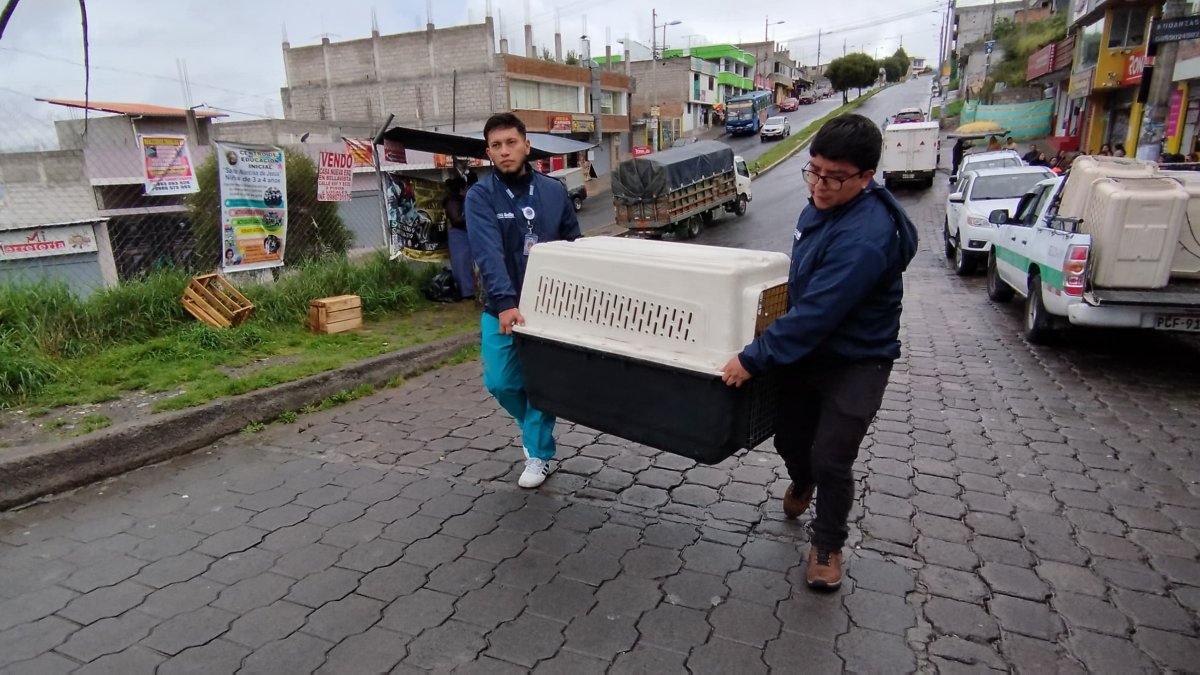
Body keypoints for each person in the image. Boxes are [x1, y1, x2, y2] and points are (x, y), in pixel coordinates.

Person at [719, 114, 918, 591]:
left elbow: (818, 312)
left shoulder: (866, 237)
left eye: (834, 177)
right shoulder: (820, 204)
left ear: (866, 177)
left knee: (832, 456)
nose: (819, 186)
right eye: (814, 171)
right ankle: (802, 477)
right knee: (789, 438)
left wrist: (752, 358)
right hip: (810, 351)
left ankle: (827, 543)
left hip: (858, 359)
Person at [466, 113, 581, 489]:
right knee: (501, 382)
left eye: (511, 142)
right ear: (488, 153)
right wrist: (504, 302)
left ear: (527, 145)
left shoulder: (553, 191)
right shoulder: (481, 195)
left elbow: (573, 246)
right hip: (502, 307)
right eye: (496, 145)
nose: (505, 151)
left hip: (550, 307)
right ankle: (532, 427)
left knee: (544, 383)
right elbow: (488, 252)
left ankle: (539, 453)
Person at [443, 176, 475, 301]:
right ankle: (466, 292)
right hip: (457, 234)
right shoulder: (452, 201)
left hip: (463, 234)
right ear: (462, 189)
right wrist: (470, 217)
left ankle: (468, 290)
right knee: (461, 264)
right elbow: (456, 219)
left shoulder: (460, 200)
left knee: (465, 263)